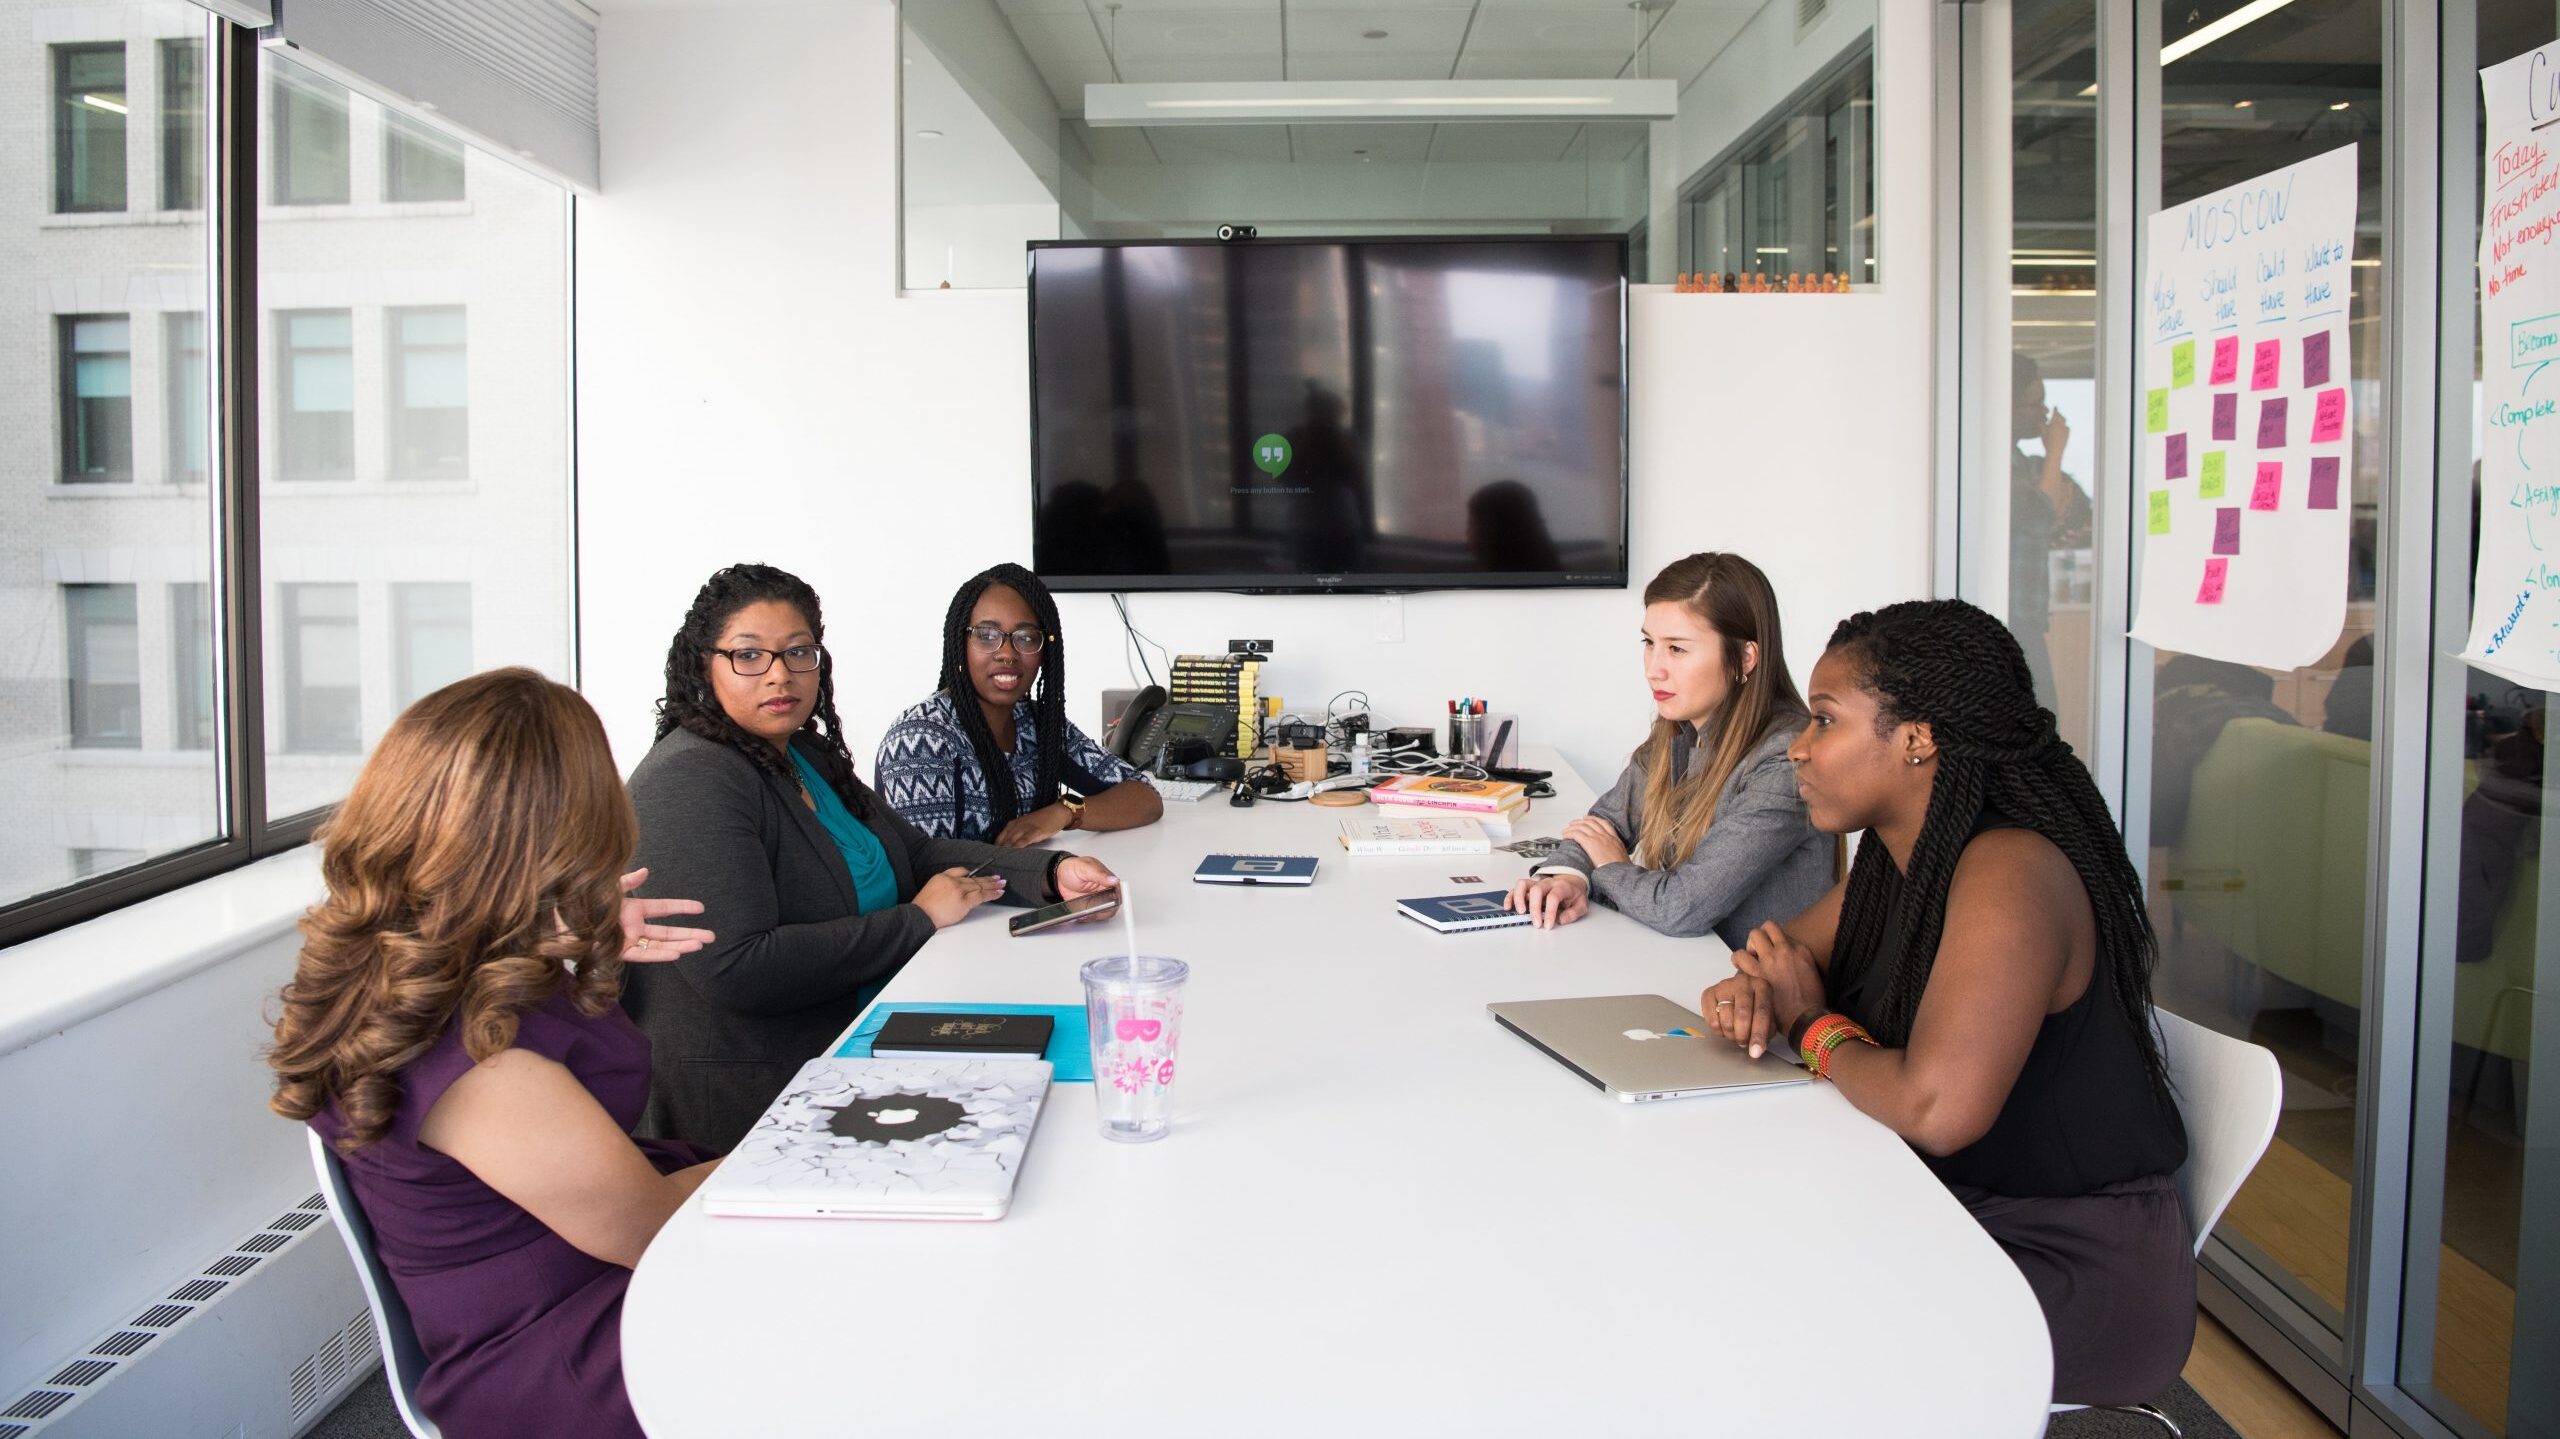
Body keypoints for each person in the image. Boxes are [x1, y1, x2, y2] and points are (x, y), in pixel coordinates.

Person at [1704, 598, 2193, 1407]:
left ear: (1918, 737)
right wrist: (1750, 993)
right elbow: (1771, 958)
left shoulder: (2012, 870)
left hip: (2062, 1264)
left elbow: (1936, 1107)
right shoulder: (1905, 861)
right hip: (1943, 1204)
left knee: (1759, 1314)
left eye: (1825, 721)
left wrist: (1808, 1023)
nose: (1799, 746)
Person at [267, 668, 722, 1439]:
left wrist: (564, 933)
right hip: (567, 1355)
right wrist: (800, 1148)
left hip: (569, 1269)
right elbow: (652, 1233)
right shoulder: (484, 1069)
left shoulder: (408, 962)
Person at [622, 563, 1119, 1151]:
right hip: (755, 1099)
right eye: (750, 655)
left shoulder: (801, 752)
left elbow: (917, 852)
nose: (780, 675)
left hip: (860, 1038)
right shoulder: (691, 778)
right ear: (704, 664)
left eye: (798, 652)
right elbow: (739, 969)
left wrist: (1049, 873)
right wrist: (919, 919)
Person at [1504, 551, 1831, 945]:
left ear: (1745, 657)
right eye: (1649, 643)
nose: (1653, 668)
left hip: (1757, 992)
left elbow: (1680, 908)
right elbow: (1604, 823)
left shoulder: (1785, 761)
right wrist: (1566, 878)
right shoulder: (1679, 730)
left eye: (1677, 649)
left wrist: (1609, 865)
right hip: (1697, 968)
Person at [876, 562, 1162, 845]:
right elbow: (930, 867)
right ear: (958, 643)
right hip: (996, 888)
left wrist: (1063, 812)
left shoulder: (1036, 724)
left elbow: (1144, 797)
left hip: (1039, 885)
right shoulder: (920, 740)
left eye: (1026, 637)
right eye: (987, 635)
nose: (1008, 654)